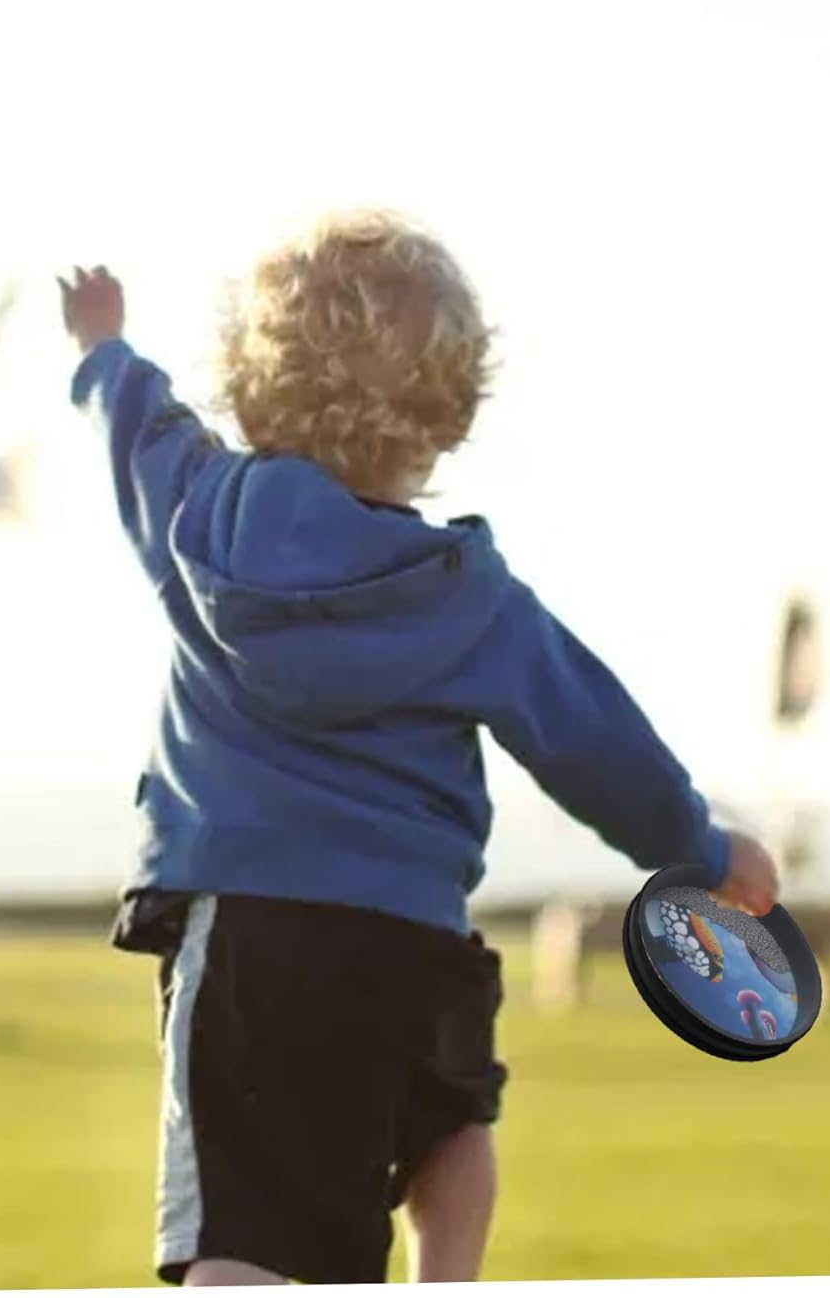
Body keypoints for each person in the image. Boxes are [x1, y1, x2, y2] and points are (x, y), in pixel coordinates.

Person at [59, 210, 779, 1287]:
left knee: (238, 1222)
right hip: (415, 936)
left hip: (255, 934)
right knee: (448, 1123)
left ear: (250, 382)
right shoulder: (468, 597)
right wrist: (703, 848)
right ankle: (446, 1278)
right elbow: (594, 741)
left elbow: (135, 424)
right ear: (447, 409)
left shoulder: (197, 518)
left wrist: (102, 344)